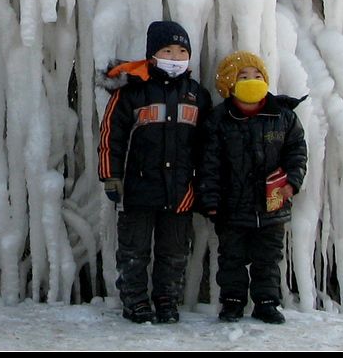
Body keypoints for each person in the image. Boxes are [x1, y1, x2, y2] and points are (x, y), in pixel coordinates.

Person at [98, 20, 212, 324]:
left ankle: (167, 300)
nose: (174, 57)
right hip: (137, 189)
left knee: (174, 252)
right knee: (134, 250)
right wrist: (111, 176)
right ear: (152, 54)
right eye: (167, 50)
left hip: (180, 191)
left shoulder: (197, 96)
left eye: (181, 51)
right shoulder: (131, 93)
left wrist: (201, 186)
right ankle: (134, 301)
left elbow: (207, 146)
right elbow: (111, 135)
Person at [198, 51, 308, 324]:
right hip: (231, 207)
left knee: (268, 258)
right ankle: (232, 302)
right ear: (229, 84)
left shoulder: (282, 115)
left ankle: (267, 302)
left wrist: (292, 182)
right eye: (243, 76)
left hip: (272, 205)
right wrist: (210, 201)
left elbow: (297, 151)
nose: (252, 80)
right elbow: (208, 163)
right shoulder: (219, 119)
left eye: (257, 75)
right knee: (231, 257)